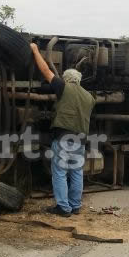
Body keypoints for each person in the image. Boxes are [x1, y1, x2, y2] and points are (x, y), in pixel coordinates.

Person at [30, 43, 96, 217]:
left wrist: (36, 50)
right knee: (76, 172)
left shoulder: (63, 87)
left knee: (59, 172)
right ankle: (75, 206)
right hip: (81, 139)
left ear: (66, 79)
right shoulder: (89, 97)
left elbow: (45, 70)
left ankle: (63, 208)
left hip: (64, 137)